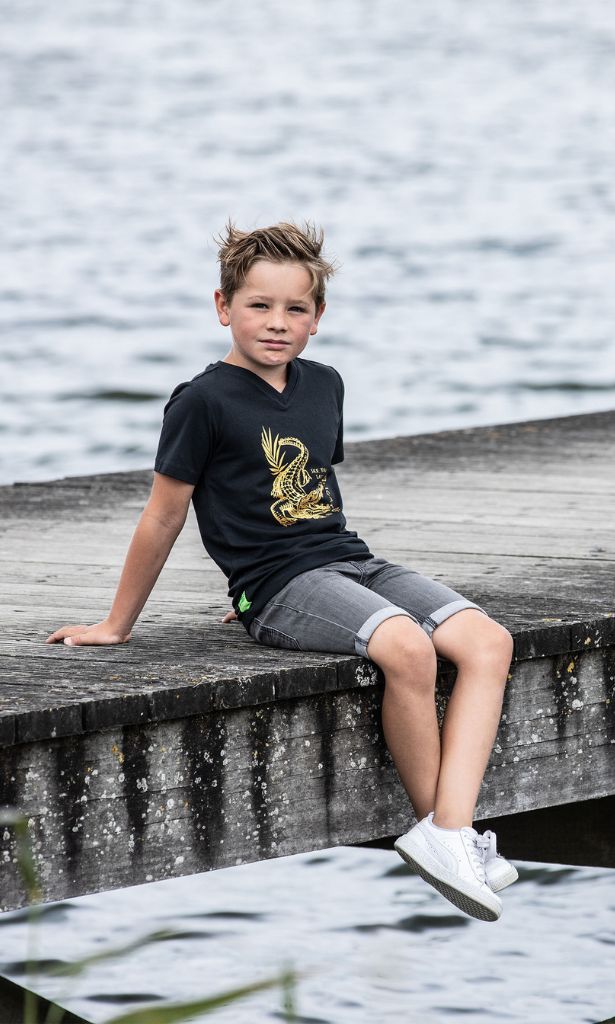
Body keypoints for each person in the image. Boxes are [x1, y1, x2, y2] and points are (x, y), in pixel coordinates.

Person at [46, 220, 517, 922]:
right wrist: (117, 625)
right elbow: (164, 516)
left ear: (318, 319)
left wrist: (347, 583)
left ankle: (450, 830)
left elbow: (307, 502)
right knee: (407, 648)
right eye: (259, 305)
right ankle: (444, 837)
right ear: (222, 307)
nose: (277, 322)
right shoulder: (201, 400)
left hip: (348, 561)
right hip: (274, 587)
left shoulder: (325, 384)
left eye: (296, 309)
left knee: (489, 642)